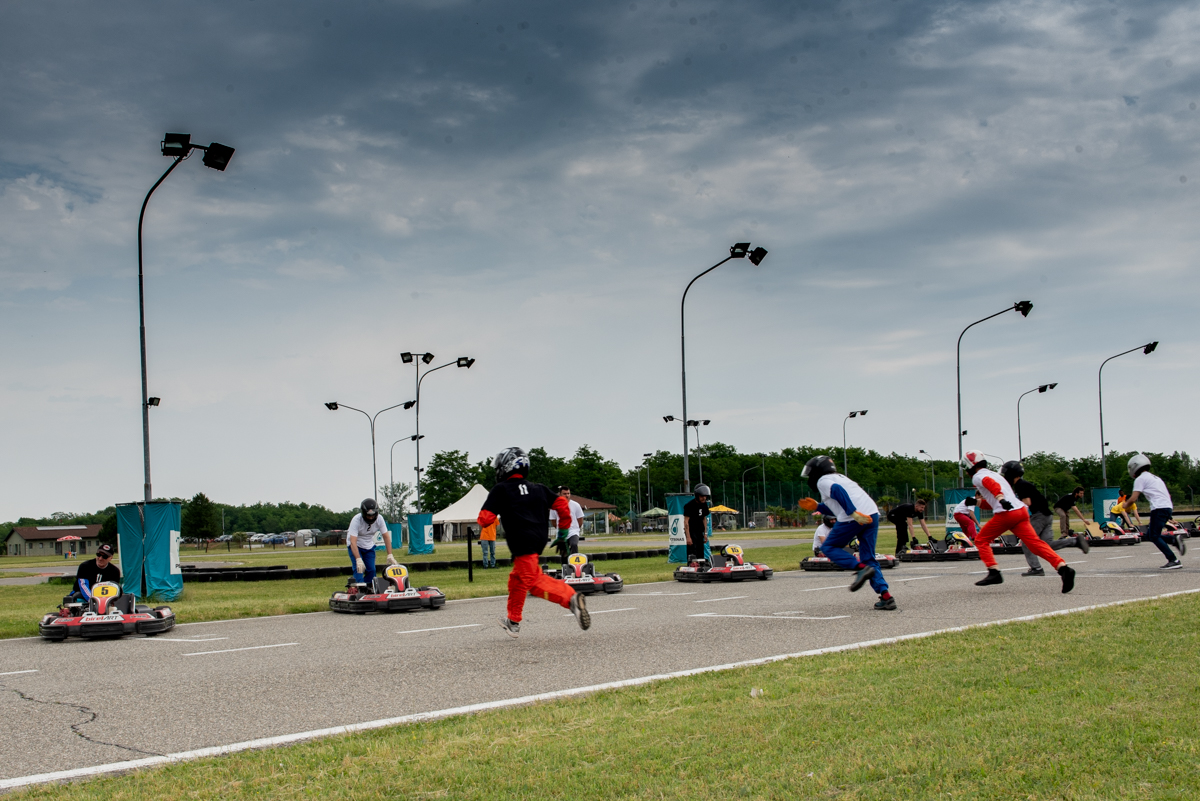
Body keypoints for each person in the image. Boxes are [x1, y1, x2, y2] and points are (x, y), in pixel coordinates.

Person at [477, 447, 590, 638]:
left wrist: (487, 513)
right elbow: (562, 505)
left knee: (533, 582)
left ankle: (571, 599)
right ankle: (513, 621)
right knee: (517, 579)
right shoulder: (539, 489)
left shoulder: (501, 489)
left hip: (521, 541)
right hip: (538, 540)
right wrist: (562, 533)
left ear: (506, 467)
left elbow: (485, 518)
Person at [962, 451, 1075, 593]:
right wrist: (978, 502)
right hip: (1020, 512)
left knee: (981, 540)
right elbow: (996, 501)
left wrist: (1000, 498)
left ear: (970, 465)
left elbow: (992, 487)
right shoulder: (996, 475)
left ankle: (994, 571)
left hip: (1007, 514)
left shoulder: (978, 477)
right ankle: (1063, 569)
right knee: (1035, 544)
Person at [800, 455, 896, 611]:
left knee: (829, 547)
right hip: (871, 514)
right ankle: (886, 597)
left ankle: (861, 568)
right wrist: (818, 506)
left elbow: (838, 492)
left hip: (854, 517)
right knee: (869, 558)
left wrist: (853, 513)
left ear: (817, 471)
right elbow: (837, 507)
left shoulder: (823, 481)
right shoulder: (842, 478)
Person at [1001, 461, 1089, 578]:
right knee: (1047, 545)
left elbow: (1027, 502)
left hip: (1039, 516)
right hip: (1047, 515)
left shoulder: (1020, 485)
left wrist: (1009, 505)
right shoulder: (1025, 484)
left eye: (1006, 474)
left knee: (1027, 542)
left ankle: (1036, 568)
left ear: (1011, 474)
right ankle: (1075, 541)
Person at [1124, 454, 1186, 569]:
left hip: (1158, 508)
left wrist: (1125, 505)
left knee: (1154, 536)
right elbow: (1168, 495)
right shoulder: (1156, 478)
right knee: (1149, 535)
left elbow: (1133, 498)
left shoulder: (1140, 479)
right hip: (1167, 507)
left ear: (1135, 466)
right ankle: (1173, 539)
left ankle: (1173, 560)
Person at [346, 498, 397, 587]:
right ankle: (359, 588)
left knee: (372, 570)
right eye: (368, 516)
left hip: (369, 545)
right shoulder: (356, 520)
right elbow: (353, 541)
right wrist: (358, 559)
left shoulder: (380, 519)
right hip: (355, 545)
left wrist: (390, 554)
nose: (371, 518)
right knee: (359, 569)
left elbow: (386, 537)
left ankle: (369, 588)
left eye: (373, 515)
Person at [549, 486, 585, 565]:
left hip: (573, 531)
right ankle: (565, 567)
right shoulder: (554, 506)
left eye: (568, 493)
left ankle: (575, 564)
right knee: (563, 550)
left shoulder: (576, 505)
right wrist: (560, 529)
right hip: (562, 532)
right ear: (560, 494)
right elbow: (553, 521)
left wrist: (576, 528)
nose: (567, 495)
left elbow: (580, 519)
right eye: (564, 494)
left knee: (574, 544)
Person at [682, 485, 712, 564]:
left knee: (700, 551)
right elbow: (686, 521)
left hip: (700, 531)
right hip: (692, 531)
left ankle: (701, 566)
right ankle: (692, 565)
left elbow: (704, 519)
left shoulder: (704, 504)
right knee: (692, 551)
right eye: (702, 496)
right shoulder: (689, 505)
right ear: (697, 496)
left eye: (705, 496)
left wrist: (705, 533)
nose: (704, 498)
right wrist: (688, 537)